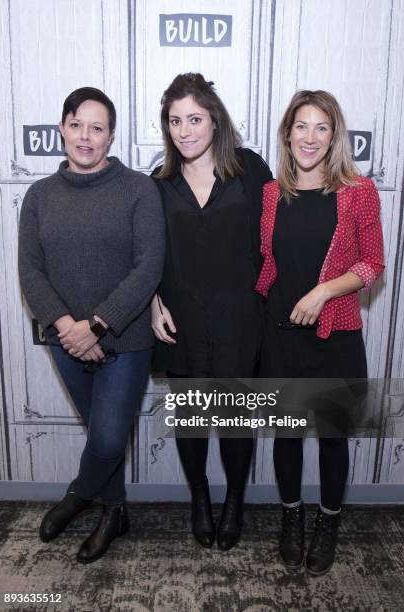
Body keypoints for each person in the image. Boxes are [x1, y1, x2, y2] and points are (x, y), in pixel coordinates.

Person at [18, 87, 165, 563]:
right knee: (102, 433)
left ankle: (79, 494)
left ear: (111, 136)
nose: (86, 137)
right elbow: (30, 271)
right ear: (62, 127)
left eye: (97, 128)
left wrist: (97, 326)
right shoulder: (39, 196)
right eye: (77, 125)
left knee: (105, 436)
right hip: (64, 339)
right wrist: (68, 328)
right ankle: (114, 511)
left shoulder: (139, 189)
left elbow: (149, 265)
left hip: (125, 338)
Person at [255, 90, 384, 574]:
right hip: (281, 336)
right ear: (288, 134)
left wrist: (324, 290)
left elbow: (373, 263)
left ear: (334, 137)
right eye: (301, 127)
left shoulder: (358, 190)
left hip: (336, 337)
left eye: (321, 128)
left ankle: (328, 523)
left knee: (333, 438)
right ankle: (292, 518)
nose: (310, 138)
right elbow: (268, 262)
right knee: (286, 436)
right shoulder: (271, 193)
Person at [151, 73, 273, 550]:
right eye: (175, 120)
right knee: (193, 421)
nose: (185, 130)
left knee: (237, 423)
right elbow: (148, 254)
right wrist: (152, 301)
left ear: (215, 120)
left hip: (242, 319)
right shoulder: (159, 185)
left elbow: (277, 239)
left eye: (194, 118)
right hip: (183, 320)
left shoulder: (250, 169)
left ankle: (235, 502)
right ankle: (200, 500)